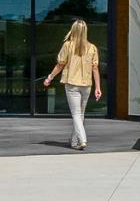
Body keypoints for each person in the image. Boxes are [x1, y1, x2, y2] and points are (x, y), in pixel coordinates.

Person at [41, 19, 101, 150]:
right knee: (80, 115)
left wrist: (49, 77)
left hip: (72, 84)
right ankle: (75, 142)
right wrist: (98, 87)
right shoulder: (92, 48)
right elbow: (95, 68)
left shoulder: (68, 46)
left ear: (73, 30)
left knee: (76, 114)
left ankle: (82, 139)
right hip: (87, 85)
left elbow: (60, 65)